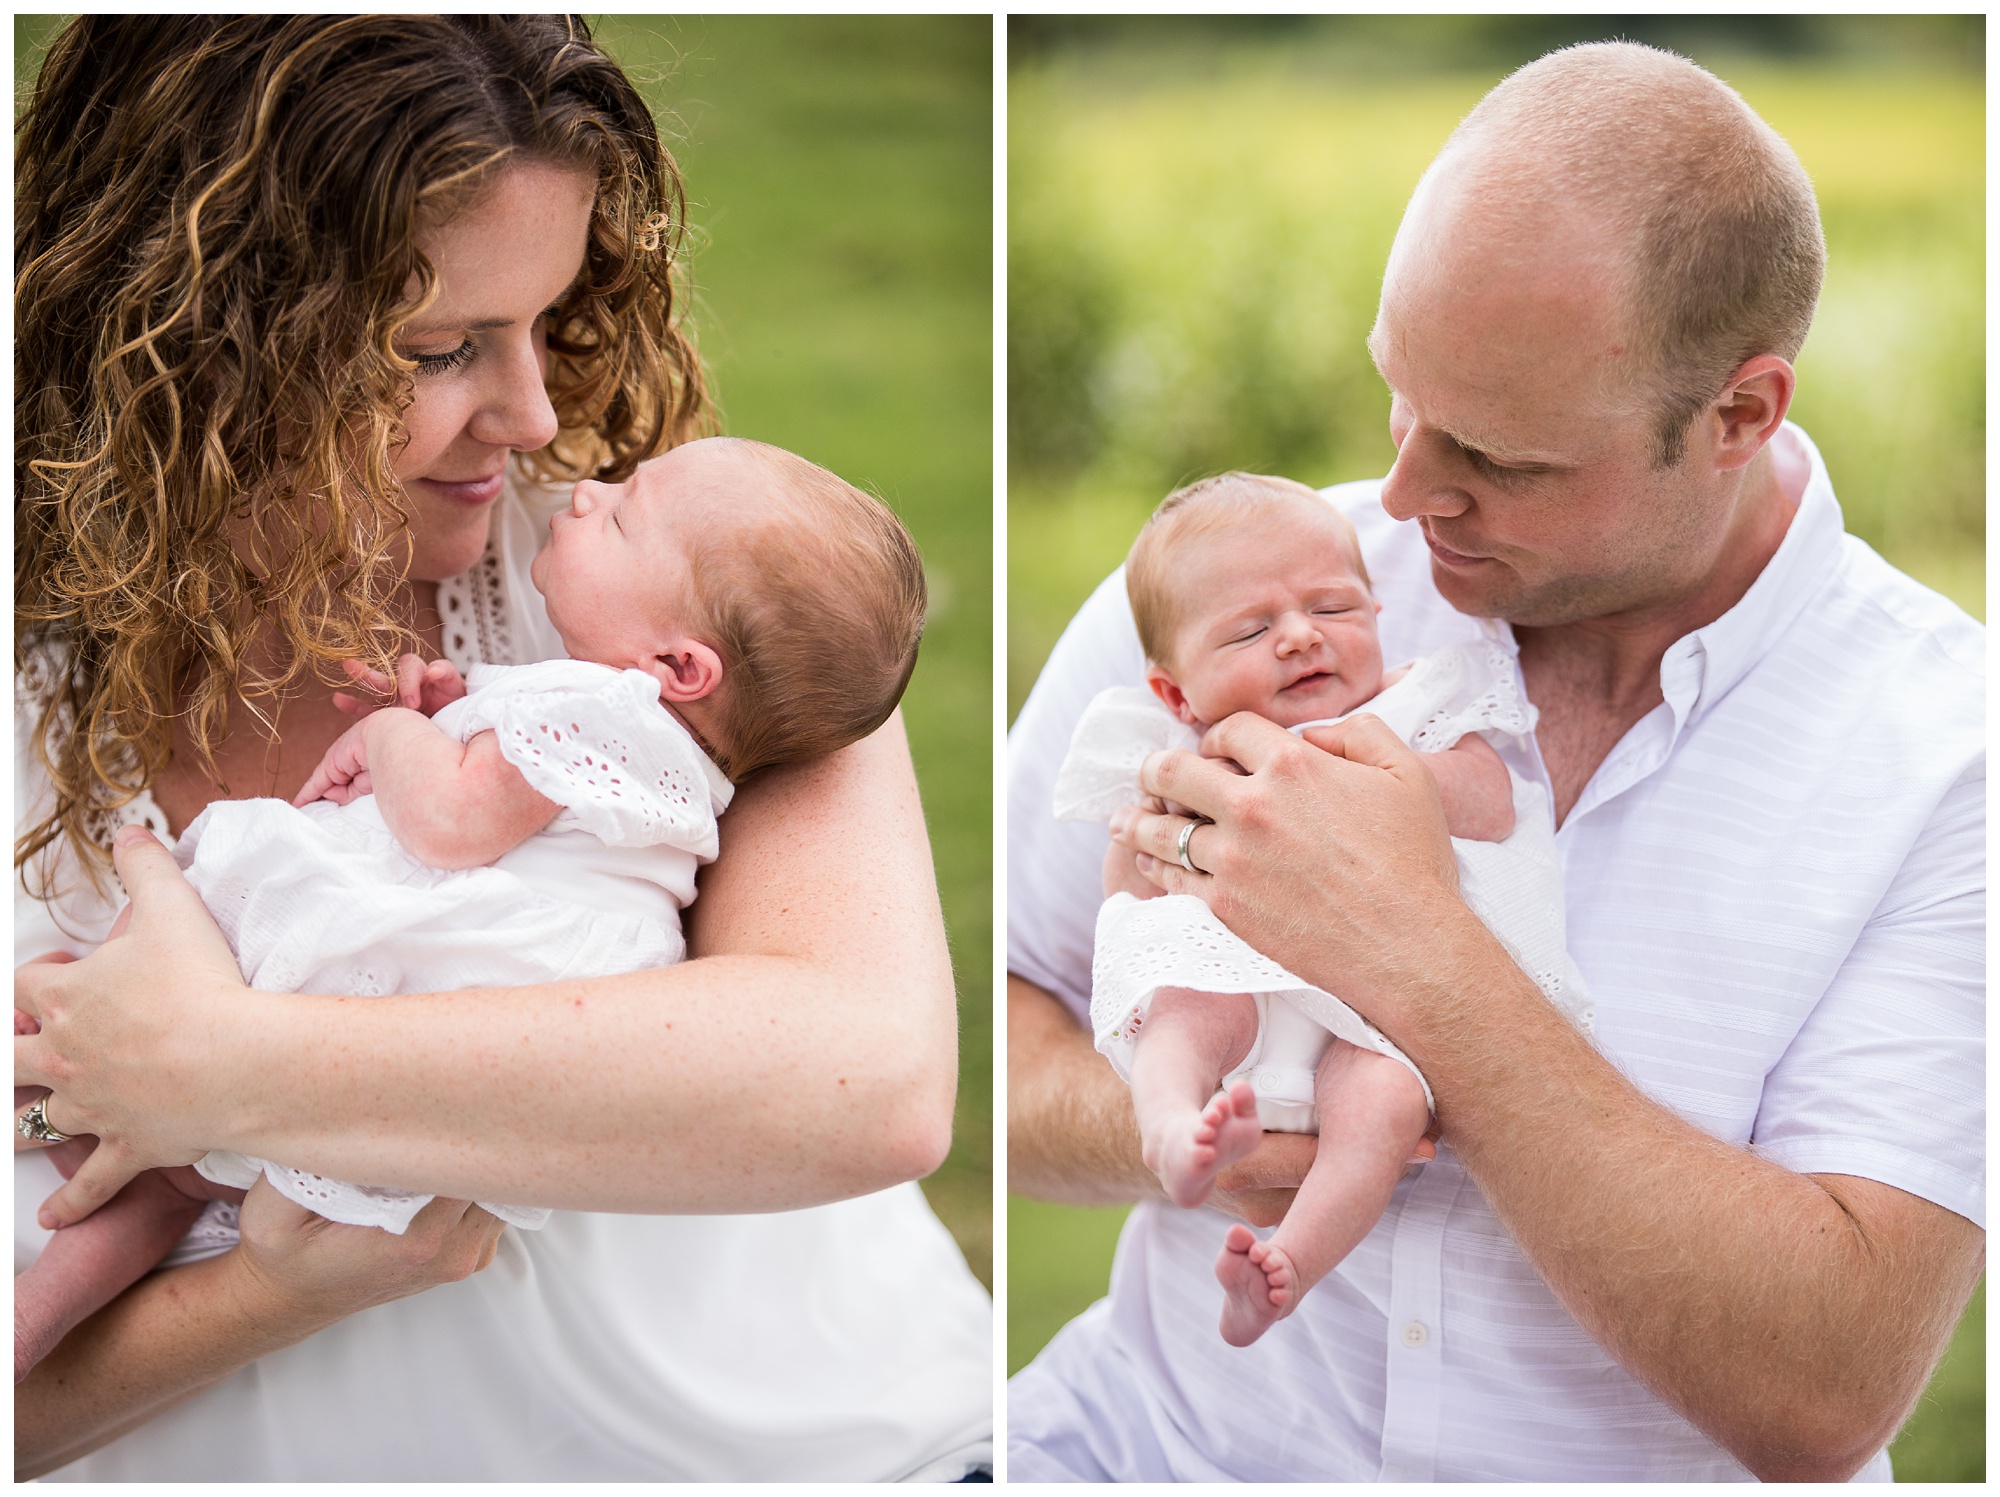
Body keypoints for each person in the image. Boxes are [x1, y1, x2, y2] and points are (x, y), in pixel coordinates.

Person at [15, 16, 989, 1482]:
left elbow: (870, 1079)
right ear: (195, 339)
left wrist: (225, 1066)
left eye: (543, 320)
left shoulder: (682, 602)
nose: (532, 417)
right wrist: (267, 1294)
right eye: (437, 348)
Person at [1008, 41, 1981, 1482]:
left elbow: (1829, 1387)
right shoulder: (1246, 599)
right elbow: (996, 1036)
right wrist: (1217, 1122)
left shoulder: (1952, 753)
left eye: (1500, 458)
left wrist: (1414, 950)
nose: (1400, 495)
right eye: (1401, 398)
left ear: (1739, 416)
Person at [16, 436, 929, 1381]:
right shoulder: (671, 756)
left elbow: (450, 825)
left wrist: (395, 728)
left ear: (679, 666)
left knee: (196, 908)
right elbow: (517, 809)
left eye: (617, 517)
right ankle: (32, 1314)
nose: (582, 489)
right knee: (168, 1184)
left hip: (402, 983)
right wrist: (460, 716)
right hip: (445, 1072)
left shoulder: (606, 706)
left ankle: (52, 1089)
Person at [1053, 472, 1591, 1347]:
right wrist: (1148, 844)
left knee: (1383, 1103)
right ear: (1178, 695)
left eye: (1333, 609)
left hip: (1378, 1016)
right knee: (1182, 1014)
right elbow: (1128, 883)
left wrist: (1399, 790)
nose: (1301, 636)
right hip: (1235, 981)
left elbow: (1495, 800)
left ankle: (1288, 1264)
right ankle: (1173, 1127)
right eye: (1252, 629)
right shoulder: (1180, 755)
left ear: (1379, 616)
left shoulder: (1415, 710)